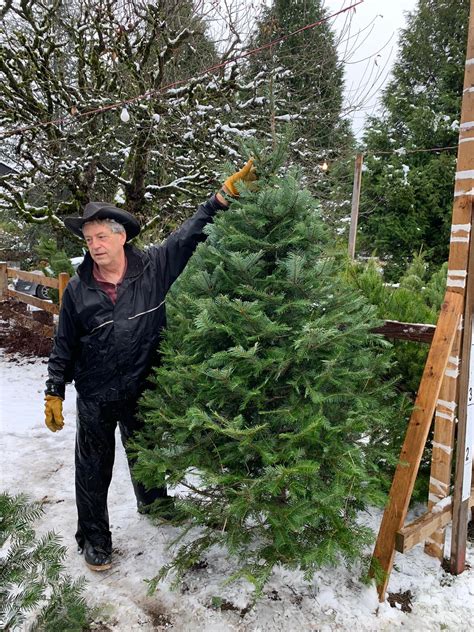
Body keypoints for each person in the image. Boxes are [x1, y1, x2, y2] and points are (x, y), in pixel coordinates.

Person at [43, 160, 256, 571]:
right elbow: (63, 344)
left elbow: (189, 235)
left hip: (143, 384)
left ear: (121, 238)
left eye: (101, 236)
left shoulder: (154, 269)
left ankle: (154, 502)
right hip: (96, 394)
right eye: (89, 239)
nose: (94, 245)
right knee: (93, 469)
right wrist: (54, 389)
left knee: (146, 450)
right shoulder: (78, 291)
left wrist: (222, 197)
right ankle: (95, 538)